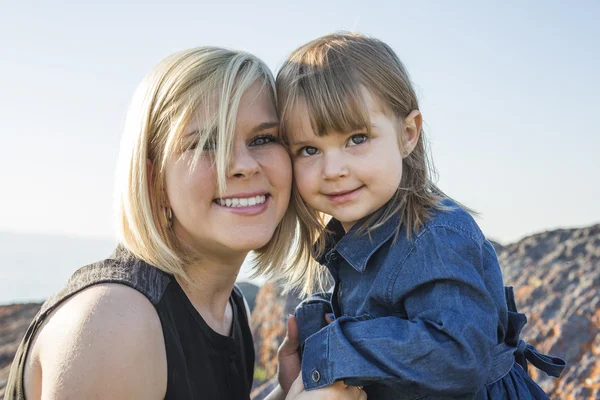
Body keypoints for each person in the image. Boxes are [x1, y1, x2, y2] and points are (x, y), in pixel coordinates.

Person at [5, 46, 366, 400]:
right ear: (153, 178)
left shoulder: (227, 308)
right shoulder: (115, 324)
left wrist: (289, 391)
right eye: (208, 142)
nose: (243, 164)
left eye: (263, 139)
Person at [275, 32, 565, 399]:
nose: (333, 169)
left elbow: (458, 356)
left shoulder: (436, 235)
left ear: (408, 134)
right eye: (309, 149)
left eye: (357, 139)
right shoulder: (353, 238)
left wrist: (335, 348)